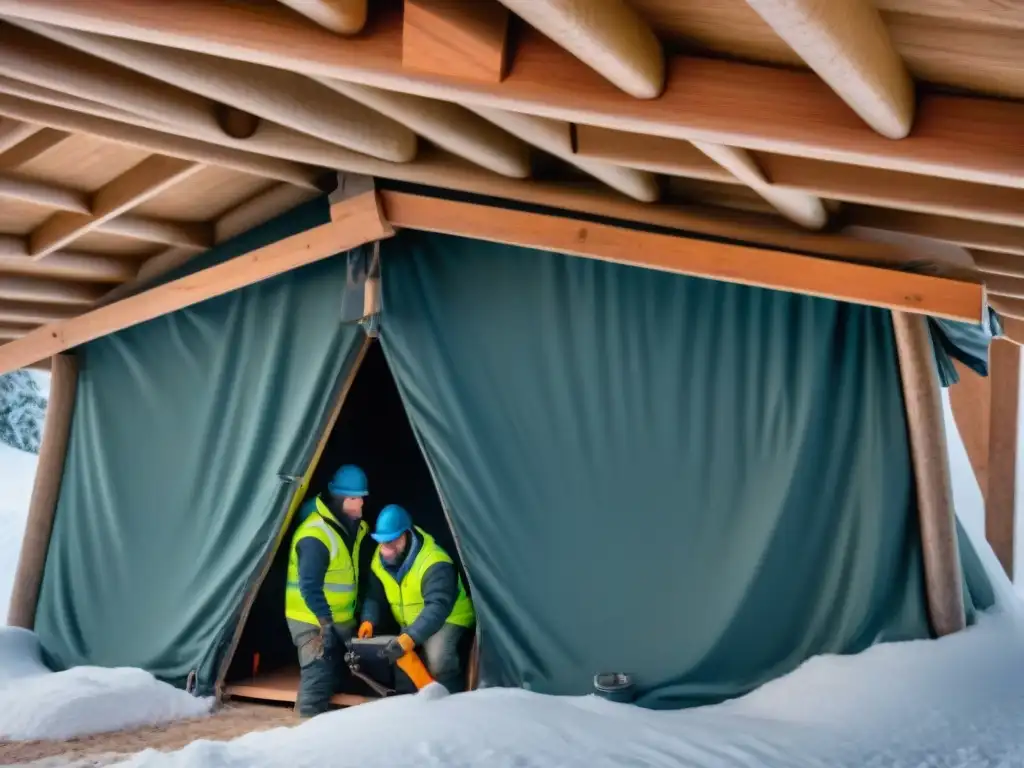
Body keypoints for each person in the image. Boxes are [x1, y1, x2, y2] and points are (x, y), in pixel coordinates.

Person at [358, 504, 475, 694]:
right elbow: (373, 596)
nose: (386, 549)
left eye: (393, 541)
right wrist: (368, 620)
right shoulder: (379, 560)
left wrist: (411, 636)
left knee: (438, 658)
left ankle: (451, 700)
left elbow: (437, 607)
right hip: (413, 621)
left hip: (448, 618)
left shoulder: (435, 562)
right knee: (399, 658)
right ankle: (413, 705)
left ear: (407, 534)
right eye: (382, 542)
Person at [284, 464, 370, 717]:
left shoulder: (355, 529)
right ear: (339, 498)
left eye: (361, 498)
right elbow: (309, 586)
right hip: (312, 619)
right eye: (354, 499)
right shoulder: (315, 535)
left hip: (342, 620)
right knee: (318, 674)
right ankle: (306, 729)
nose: (360, 504)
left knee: (346, 674)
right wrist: (325, 623)